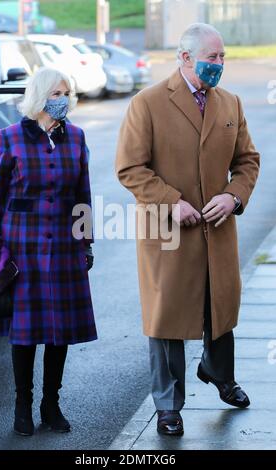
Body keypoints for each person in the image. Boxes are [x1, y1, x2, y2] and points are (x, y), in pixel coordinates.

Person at [115, 23, 260, 436]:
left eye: (222, 57)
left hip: (218, 228)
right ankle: (168, 404)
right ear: (184, 57)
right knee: (167, 319)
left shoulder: (230, 103)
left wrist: (233, 196)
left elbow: (248, 161)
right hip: (168, 233)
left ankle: (219, 375)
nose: (219, 64)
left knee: (221, 309)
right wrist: (169, 201)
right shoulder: (147, 103)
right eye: (211, 57)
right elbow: (130, 168)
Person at [0, 67, 97, 436]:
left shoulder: (75, 138)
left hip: (63, 247)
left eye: (66, 93)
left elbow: (82, 198)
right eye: (56, 93)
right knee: (25, 334)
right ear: (41, 97)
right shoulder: (10, 138)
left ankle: (51, 405)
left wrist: (86, 243)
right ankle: (22, 406)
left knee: (58, 332)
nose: (63, 100)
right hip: (22, 248)